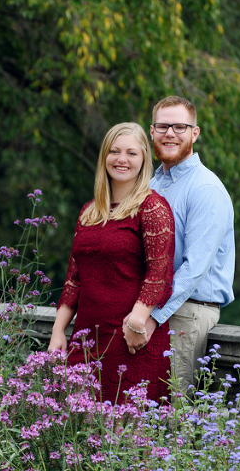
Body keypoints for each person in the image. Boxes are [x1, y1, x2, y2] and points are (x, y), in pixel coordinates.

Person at [48, 122, 175, 404]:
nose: (122, 159)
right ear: (104, 156)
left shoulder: (152, 207)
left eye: (131, 153)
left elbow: (159, 272)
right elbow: (74, 278)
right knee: (79, 433)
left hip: (130, 339)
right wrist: (58, 331)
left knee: (126, 438)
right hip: (86, 337)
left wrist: (138, 321)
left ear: (143, 159)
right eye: (115, 151)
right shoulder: (89, 211)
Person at [125, 95, 235, 395]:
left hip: (186, 311)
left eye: (179, 126)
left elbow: (194, 269)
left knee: (172, 416)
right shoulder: (150, 184)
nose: (170, 133)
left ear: (194, 133)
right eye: (163, 126)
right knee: (136, 410)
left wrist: (151, 319)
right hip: (147, 309)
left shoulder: (206, 189)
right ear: (151, 131)